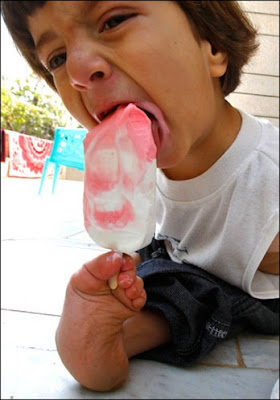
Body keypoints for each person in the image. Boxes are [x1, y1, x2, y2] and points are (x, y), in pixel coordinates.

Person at [2, 1, 279, 393]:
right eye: (58, 58)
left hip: (255, 288)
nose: (79, 72)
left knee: (210, 296)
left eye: (113, 21)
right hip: (179, 263)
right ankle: (104, 340)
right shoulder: (140, 171)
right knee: (149, 281)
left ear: (212, 45)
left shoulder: (268, 181)